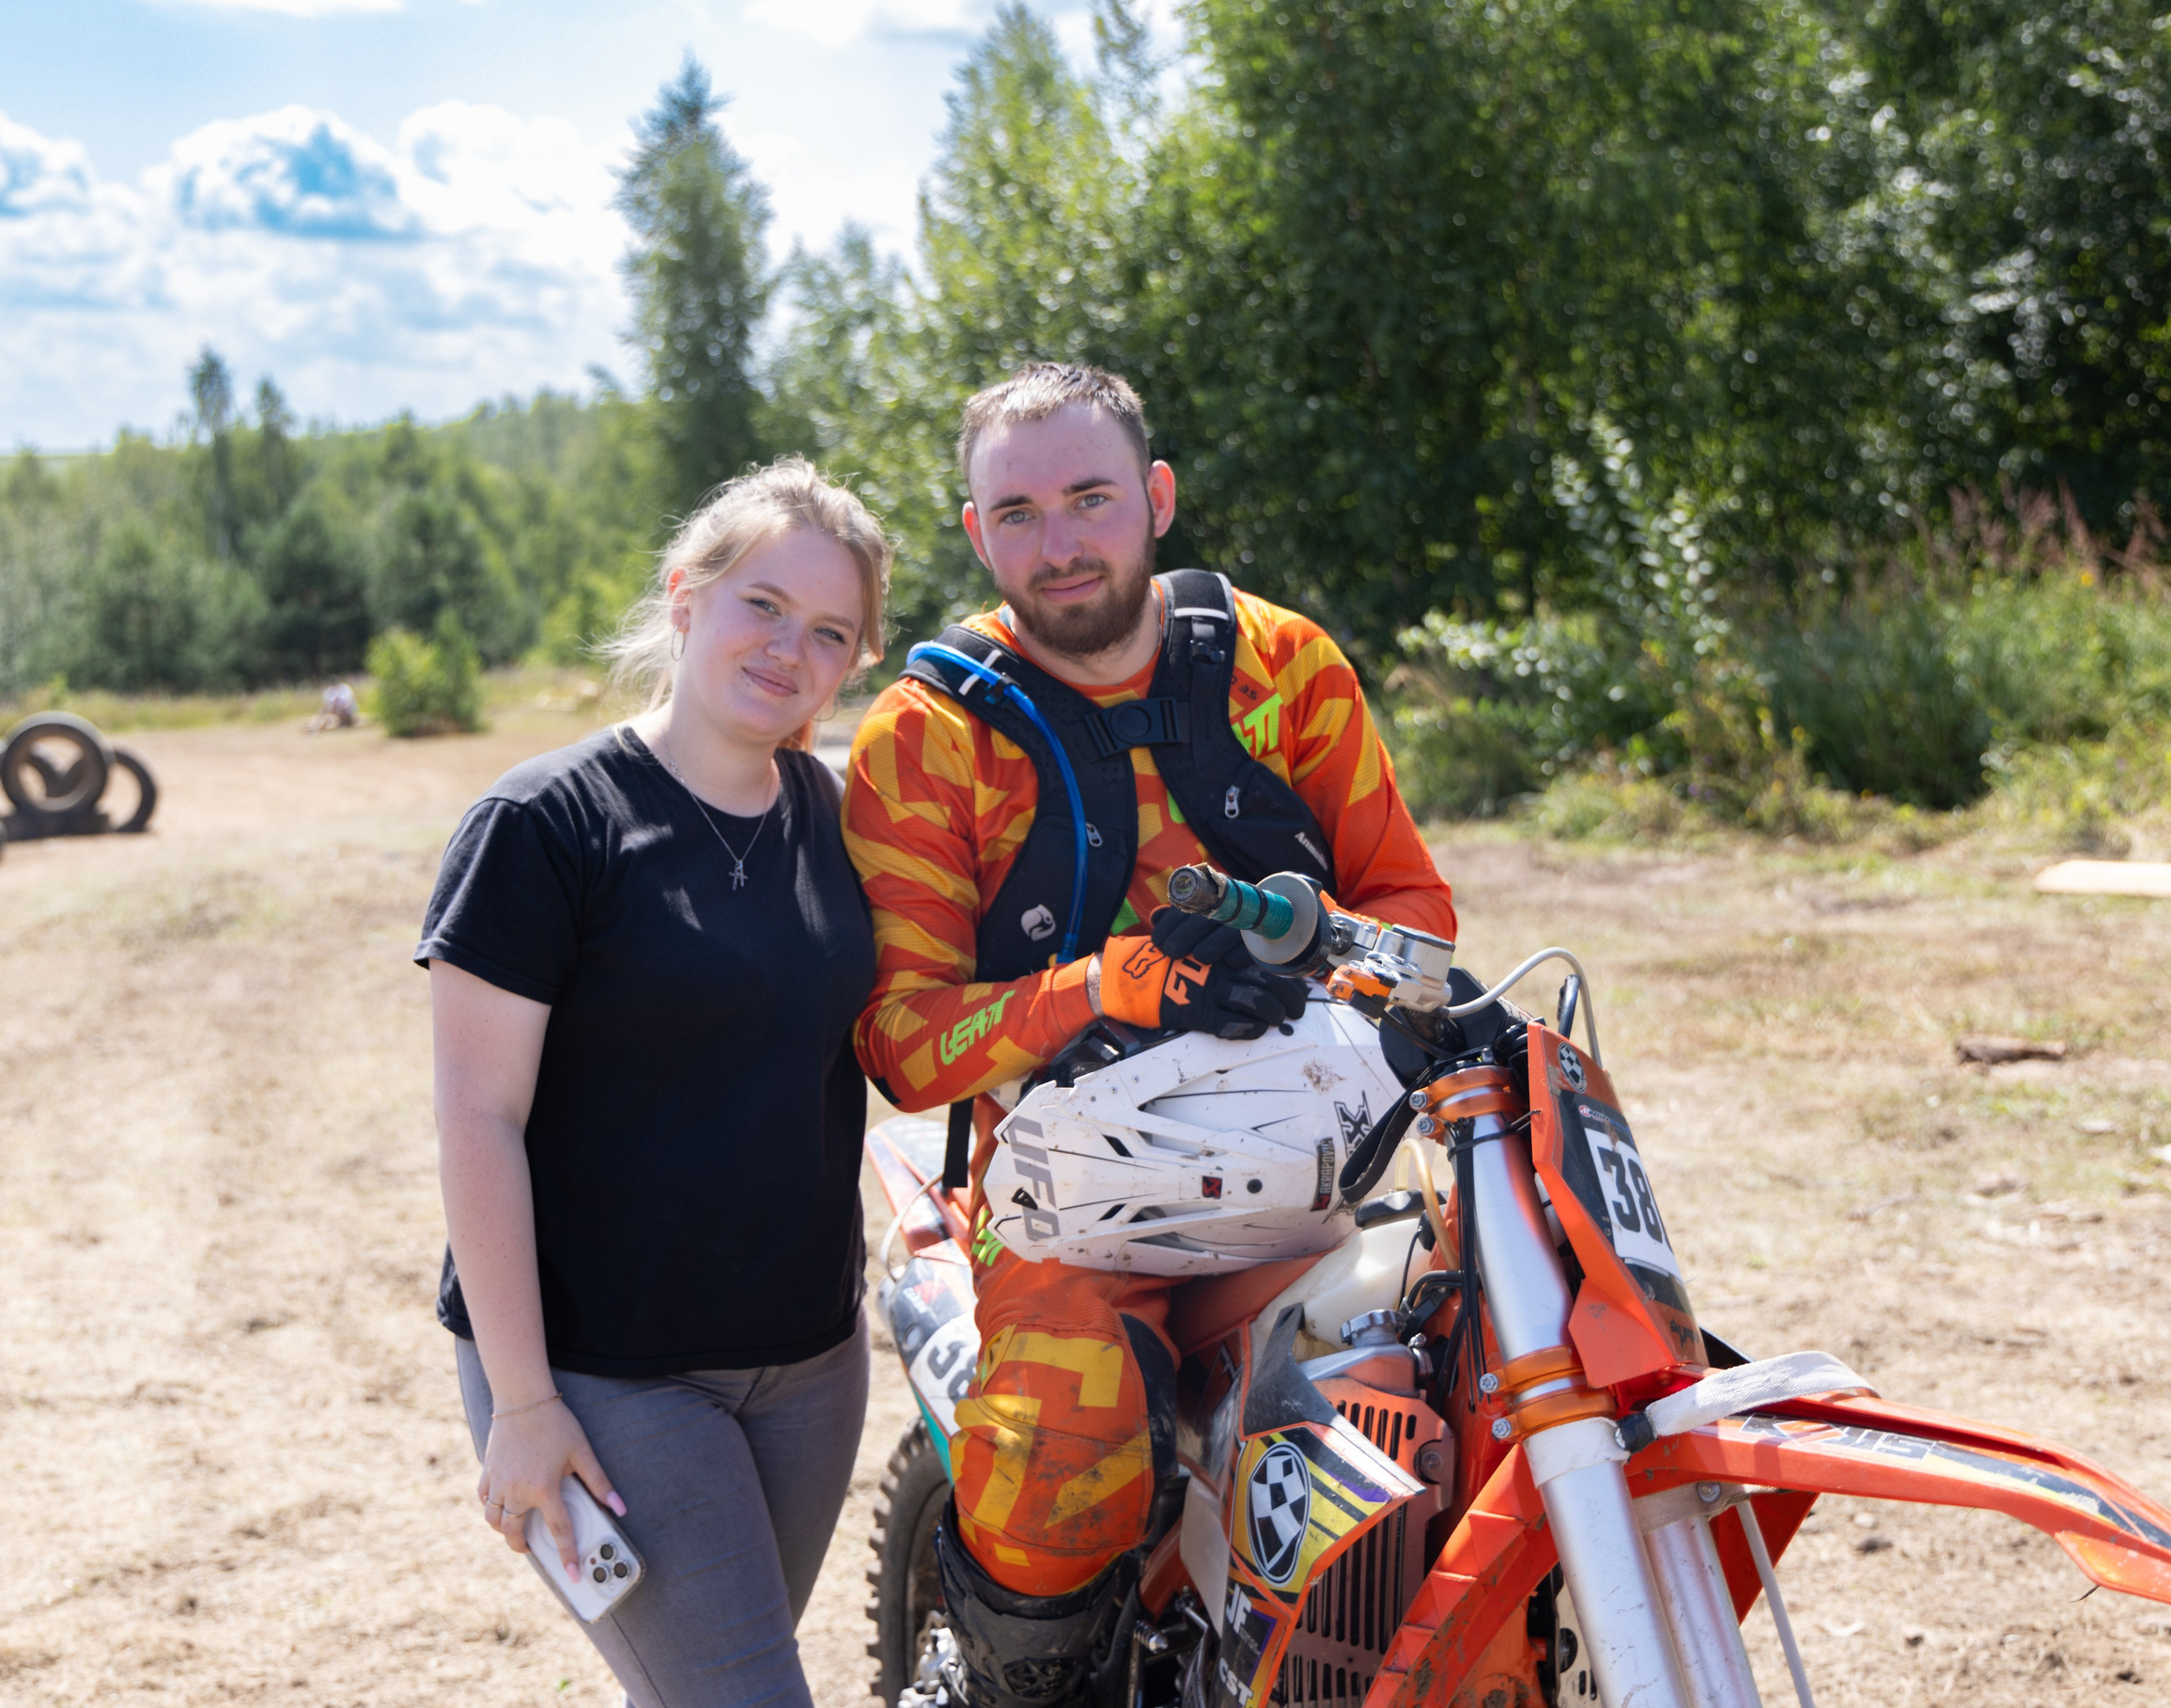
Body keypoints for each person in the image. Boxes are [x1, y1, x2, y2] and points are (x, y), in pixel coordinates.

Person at [842, 365, 1455, 1705]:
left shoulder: (1284, 667)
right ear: (976, 534)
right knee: (1065, 1432)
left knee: (1469, 1357)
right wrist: (1109, 986)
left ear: (1157, 499)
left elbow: (1412, 904)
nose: (1059, 544)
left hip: (1312, 1159)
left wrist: (1310, 959)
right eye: (1019, 512)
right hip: (1066, 1197)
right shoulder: (928, 735)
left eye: (1090, 498)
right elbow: (902, 1036)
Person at [419, 458, 890, 1706]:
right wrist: (522, 1405)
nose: (791, 647)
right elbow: (478, 1115)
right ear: (686, 596)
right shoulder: (543, 827)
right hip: (601, 1376)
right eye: (763, 603)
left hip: (812, 1368)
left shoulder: (838, 820)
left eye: (830, 630)